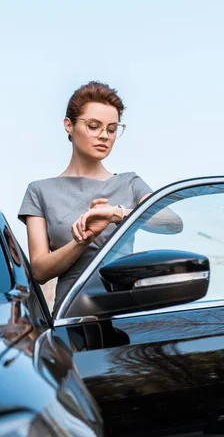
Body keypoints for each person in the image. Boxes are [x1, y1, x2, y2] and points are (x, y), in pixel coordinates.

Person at [18, 81, 178, 312]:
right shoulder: (39, 191)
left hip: (126, 313)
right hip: (71, 317)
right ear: (68, 125)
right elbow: (40, 271)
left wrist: (118, 213)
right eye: (94, 126)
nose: (104, 136)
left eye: (112, 129)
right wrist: (82, 241)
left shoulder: (130, 183)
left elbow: (173, 223)